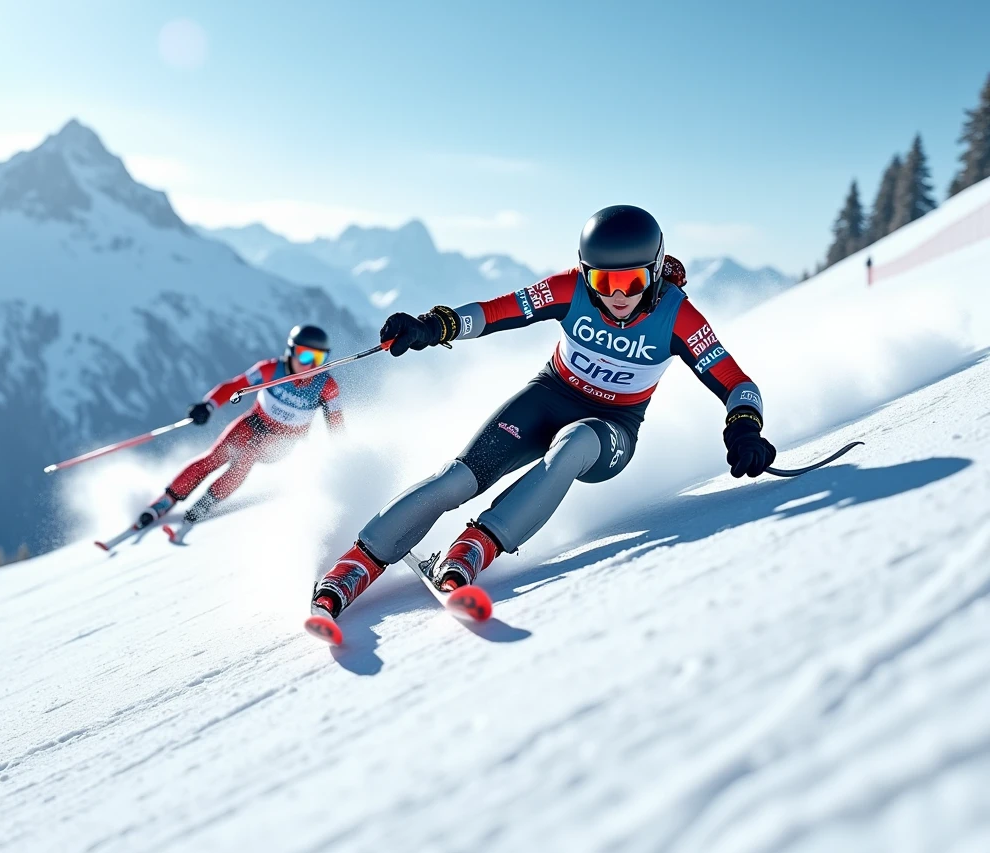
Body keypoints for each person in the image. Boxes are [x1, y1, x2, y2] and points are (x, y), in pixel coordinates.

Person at [312, 206, 775, 621]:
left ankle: (474, 547)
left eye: (631, 282)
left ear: (654, 274)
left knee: (573, 445)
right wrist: (435, 325)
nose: (617, 296)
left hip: (610, 429)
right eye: (602, 281)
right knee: (458, 478)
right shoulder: (569, 289)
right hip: (548, 396)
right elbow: (498, 312)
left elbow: (738, 383)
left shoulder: (678, 317)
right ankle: (356, 564)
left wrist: (744, 426)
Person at [137, 324, 342, 528]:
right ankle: (166, 500)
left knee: (247, 455)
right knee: (216, 456)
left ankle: (207, 502)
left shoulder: (326, 387)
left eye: (318, 359)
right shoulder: (270, 370)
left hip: (282, 442)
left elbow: (337, 427)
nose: (311, 366)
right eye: (305, 356)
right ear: (291, 351)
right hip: (253, 423)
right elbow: (235, 386)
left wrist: (343, 460)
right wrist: (208, 405)